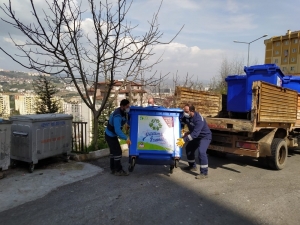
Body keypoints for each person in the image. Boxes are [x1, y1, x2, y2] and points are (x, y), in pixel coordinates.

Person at [177, 104, 212, 179]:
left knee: (201, 152)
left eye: (186, 111)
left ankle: (204, 173)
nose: (185, 113)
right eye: (184, 111)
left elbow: (195, 134)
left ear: (192, 111)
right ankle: (192, 166)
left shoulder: (198, 119)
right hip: (196, 136)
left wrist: (184, 140)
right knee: (189, 149)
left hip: (204, 137)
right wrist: (182, 129)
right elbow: (182, 122)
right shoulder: (187, 116)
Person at [105, 99, 131, 176]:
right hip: (110, 135)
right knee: (118, 152)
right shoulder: (117, 115)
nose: (128, 107)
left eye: (128, 106)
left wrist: (127, 123)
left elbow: (125, 119)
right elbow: (117, 130)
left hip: (111, 134)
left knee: (113, 153)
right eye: (127, 106)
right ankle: (118, 170)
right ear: (122, 106)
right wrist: (126, 138)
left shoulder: (122, 112)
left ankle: (113, 169)